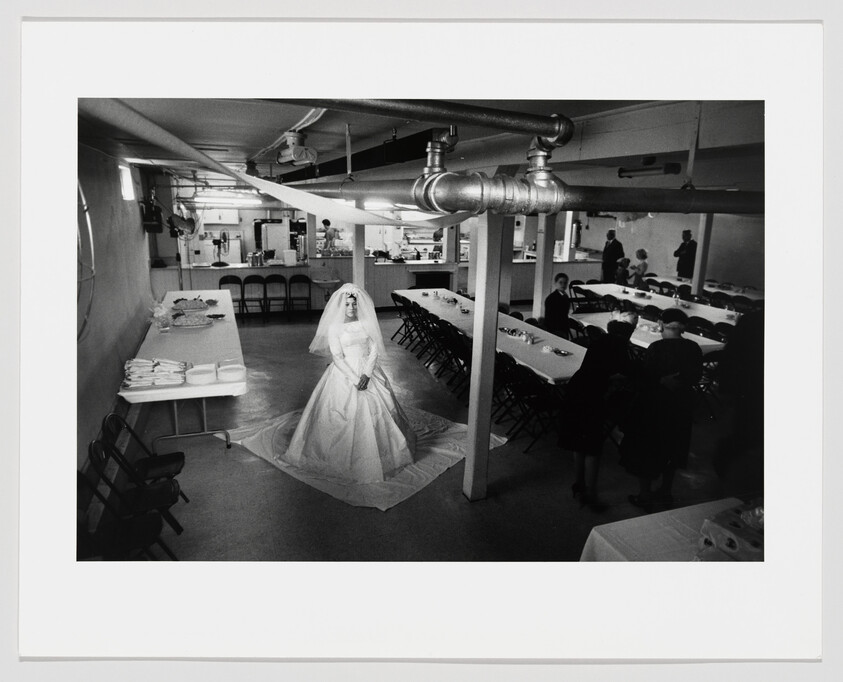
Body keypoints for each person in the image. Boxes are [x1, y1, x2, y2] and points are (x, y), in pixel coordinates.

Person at [281, 284, 416, 483]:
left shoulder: (365, 324)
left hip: (367, 370)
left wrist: (367, 374)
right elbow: (337, 357)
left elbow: (374, 349)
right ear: (340, 307)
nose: (351, 308)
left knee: (380, 409)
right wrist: (355, 379)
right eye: (347, 305)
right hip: (345, 373)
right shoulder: (335, 327)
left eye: (354, 304)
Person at [619, 307, 703, 511]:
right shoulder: (694, 348)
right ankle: (666, 492)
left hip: (655, 405)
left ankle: (645, 494)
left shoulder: (657, 347)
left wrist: (661, 381)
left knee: (647, 449)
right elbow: (697, 377)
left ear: (661, 324)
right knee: (673, 448)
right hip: (681, 405)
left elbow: (647, 377)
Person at [559, 311, 639, 511]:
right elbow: (630, 372)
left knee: (579, 443)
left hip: (576, 390)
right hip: (592, 397)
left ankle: (579, 484)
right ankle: (591, 495)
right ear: (627, 335)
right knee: (593, 448)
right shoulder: (619, 346)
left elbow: (598, 369)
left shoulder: (599, 341)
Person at [544, 272, 571, 339]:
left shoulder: (565, 296)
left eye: (565, 283)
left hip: (563, 326)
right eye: (560, 282)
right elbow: (550, 318)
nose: (563, 285)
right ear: (555, 283)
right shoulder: (551, 298)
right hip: (555, 329)